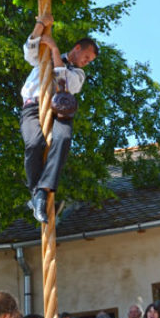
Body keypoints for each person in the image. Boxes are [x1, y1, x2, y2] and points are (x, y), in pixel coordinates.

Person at [20, 12, 99, 223]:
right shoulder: (43, 55)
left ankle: (44, 190)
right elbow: (29, 51)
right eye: (86, 57)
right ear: (77, 48)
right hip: (32, 106)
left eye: (90, 61)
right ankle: (36, 192)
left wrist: (55, 49)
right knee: (34, 143)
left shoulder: (78, 74)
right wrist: (40, 25)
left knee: (63, 139)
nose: (86, 62)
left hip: (60, 110)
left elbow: (64, 81)